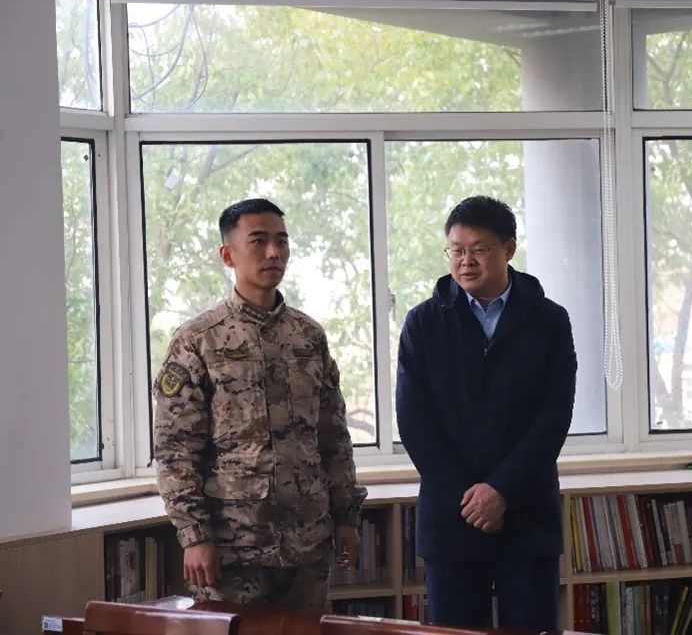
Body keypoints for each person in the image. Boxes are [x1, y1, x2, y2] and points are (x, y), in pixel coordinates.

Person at [153, 198, 366, 610]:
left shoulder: (308, 336)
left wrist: (346, 517)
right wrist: (194, 536)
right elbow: (175, 450)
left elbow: (334, 438)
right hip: (233, 547)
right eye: (259, 241)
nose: (274, 253)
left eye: (281, 241)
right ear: (228, 254)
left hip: (308, 542)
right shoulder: (198, 339)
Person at [396, 195, 577, 629]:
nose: (466, 262)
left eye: (479, 249)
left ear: (509, 249)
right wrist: (470, 498)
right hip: (452, 514)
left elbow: (554, 416)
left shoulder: (549, 320)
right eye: (457, 250)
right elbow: (414, 421)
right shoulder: (423, 322)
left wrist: (501, 490)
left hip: (527, 511)